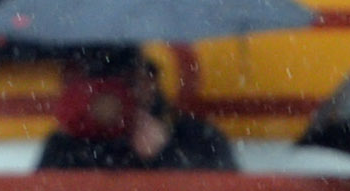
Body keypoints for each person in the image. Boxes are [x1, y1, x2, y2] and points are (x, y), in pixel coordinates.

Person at [36, 55, 235, 172]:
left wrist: (165, 154)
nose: (128, 95)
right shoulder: (67, 145)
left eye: (136, 82)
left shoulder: (196, 135)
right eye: (116, 86)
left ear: (152, 83)